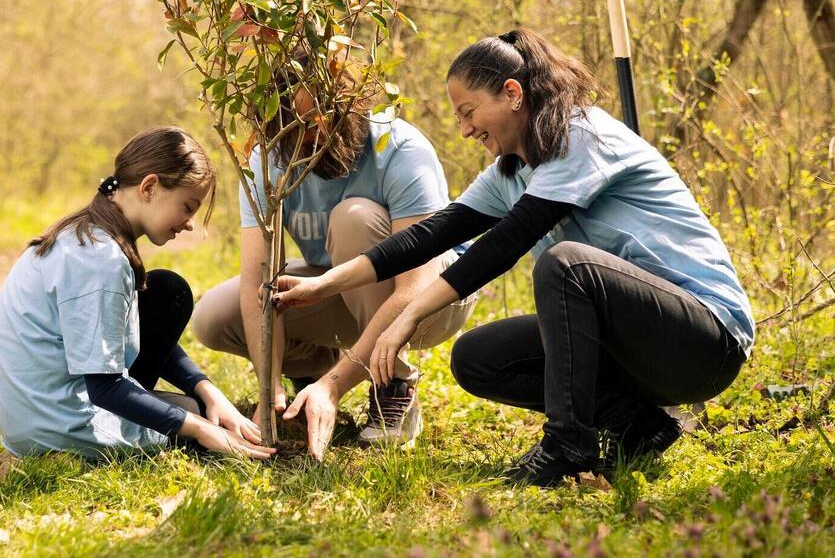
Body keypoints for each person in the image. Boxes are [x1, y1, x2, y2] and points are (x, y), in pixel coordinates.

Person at [273, 28, 754, 486]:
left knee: (566, 264)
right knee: (478, 359)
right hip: (638, 344)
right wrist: (326, 283)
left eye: (468, 112)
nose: (464, 130)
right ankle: (639, 424)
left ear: (511, 93)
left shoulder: (582, 136)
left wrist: (409, 314)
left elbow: (505, 244)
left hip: (704, 341)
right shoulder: (513, 168)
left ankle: (569, 448)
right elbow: (433, 233)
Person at [192, 62, 474, 458]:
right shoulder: (270, 161)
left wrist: (335, 387)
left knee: (353, 219)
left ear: (351, 106)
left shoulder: (398, 147)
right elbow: (259, 278)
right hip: (341, 291)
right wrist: (268, 389)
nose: (313, 137)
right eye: (298, 127)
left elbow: (415, 286)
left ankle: (392, 383)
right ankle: (308, 374)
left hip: (434, 296)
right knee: (214, 317)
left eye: (322, 120)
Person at [0, 127, 273, 460]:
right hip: (53, 426)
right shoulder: (101, 261)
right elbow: (104, 388)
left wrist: (207, 390)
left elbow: (120, 330)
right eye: (187, 207)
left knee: (167, 293)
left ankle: (186, 410)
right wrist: (200, 428)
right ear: (149, 187)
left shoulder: (89, 233)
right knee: (195, 421)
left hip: (33, 413)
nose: (189, 223)